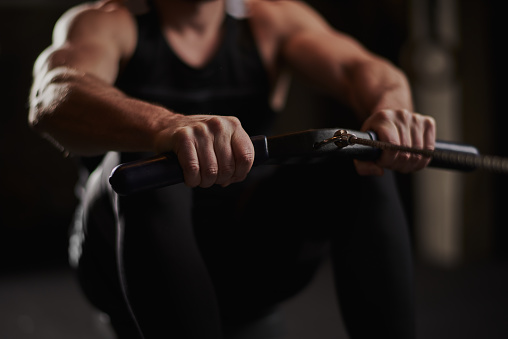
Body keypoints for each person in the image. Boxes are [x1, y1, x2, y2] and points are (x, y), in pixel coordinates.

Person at [29, 0, 436, 338]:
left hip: (243, 257)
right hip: (120, 257)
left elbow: (360, 68)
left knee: (360, 162)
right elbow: (54, 92)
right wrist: (167, 126)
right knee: (143, 166)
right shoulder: (110, 22)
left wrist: (393, 111)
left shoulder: (271, 22)